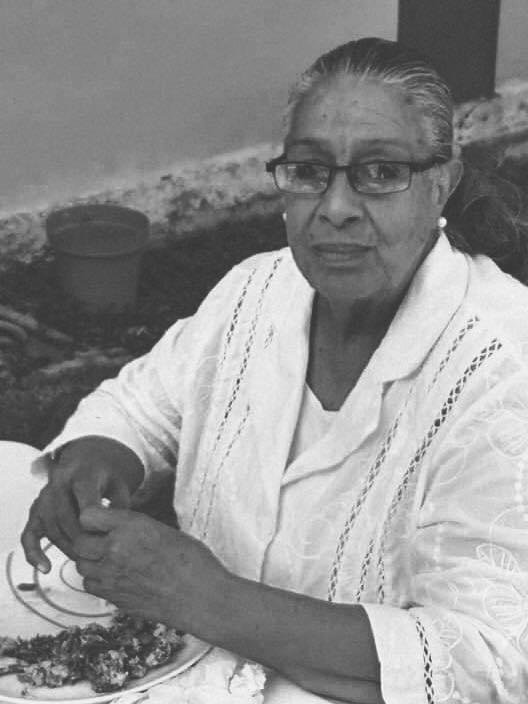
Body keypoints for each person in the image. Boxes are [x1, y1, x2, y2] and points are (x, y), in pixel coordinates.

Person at [20, 37, 528, 703]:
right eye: (309, 171)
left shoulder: (502, 370)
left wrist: (207, 599)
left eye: (381, 172)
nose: (335, 207)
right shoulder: (259, 290)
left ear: (443, 183)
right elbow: (144, 403)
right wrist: (98, 455)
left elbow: (493, 659)